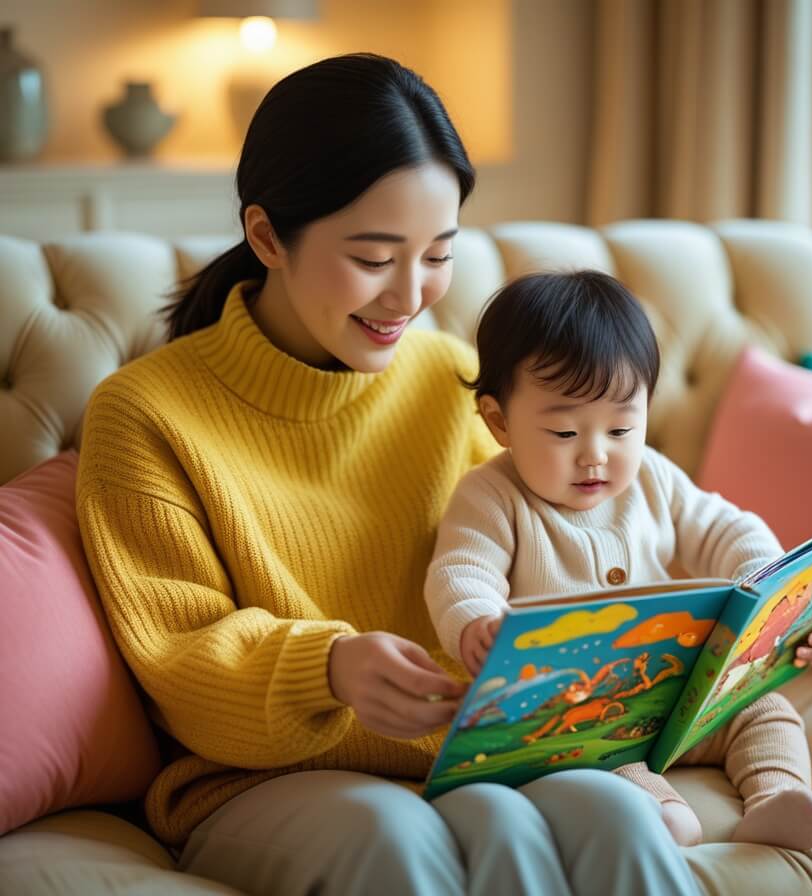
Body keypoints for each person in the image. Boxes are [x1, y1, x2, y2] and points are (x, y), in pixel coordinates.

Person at [76, 54, 701, 896]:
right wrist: (326, 668)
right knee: (393, 838)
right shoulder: (145, 414)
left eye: (438, 254)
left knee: (613, 816)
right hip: (259, 783)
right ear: (267, 238)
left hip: (471, 757)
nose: (410, 296)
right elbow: (179, 657)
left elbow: (579, 541)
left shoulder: (456, 382)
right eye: (375, 257)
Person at [425, 269, 812, 852]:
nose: (595, 455)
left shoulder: (654, 478)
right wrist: (476, 621)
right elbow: (461, 571)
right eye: (562, 432)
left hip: (677, 700)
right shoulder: (492, 494)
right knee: (606, 769)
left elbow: (727, 528)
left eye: (622, 428)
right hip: (582, 717)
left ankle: (776, 798)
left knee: (765, 710)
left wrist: (774, 584)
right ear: (499, 422)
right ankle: (663, 815)